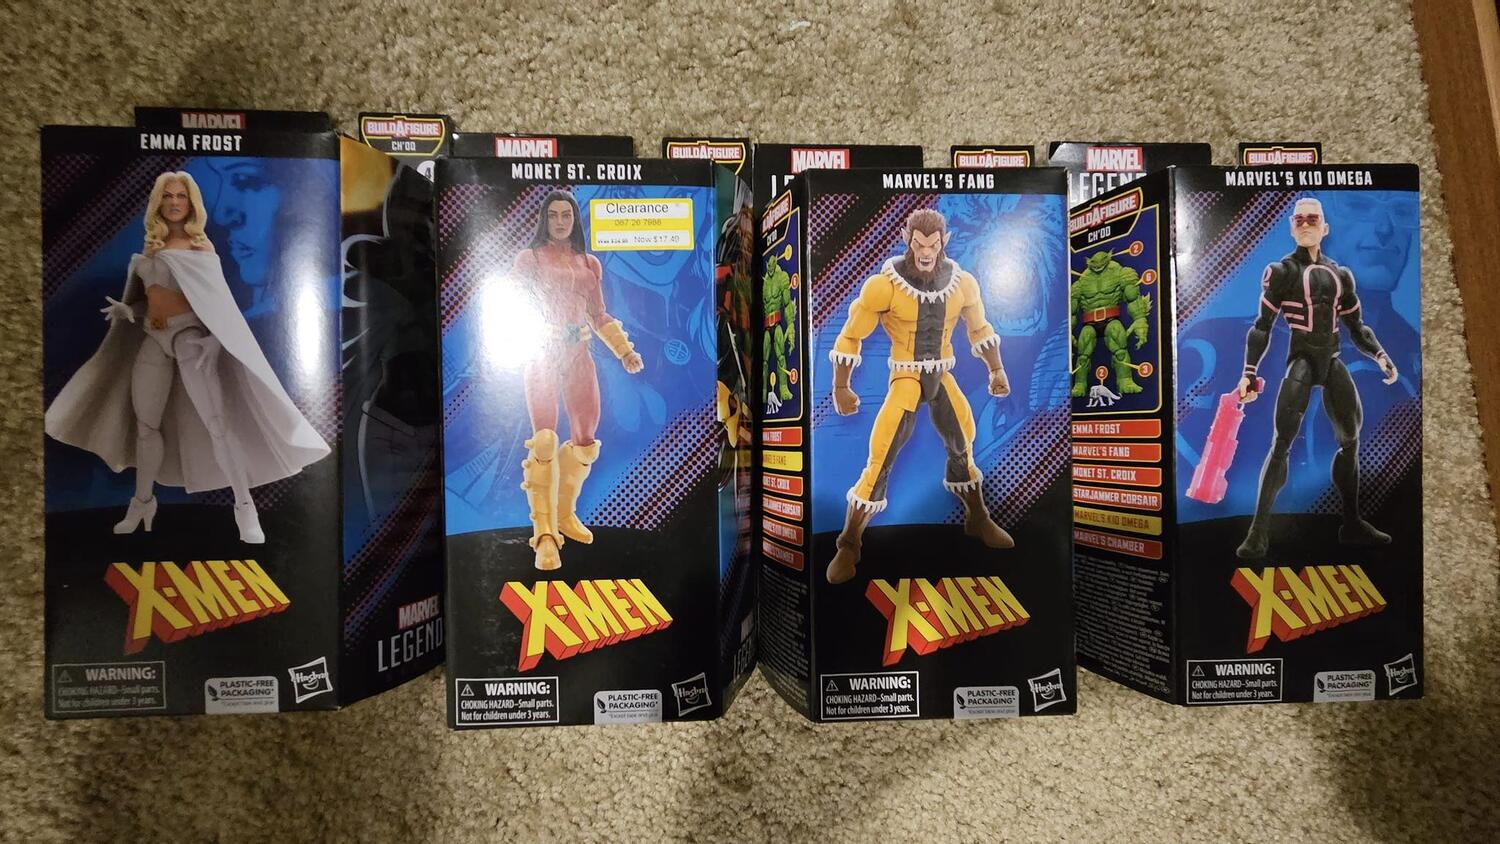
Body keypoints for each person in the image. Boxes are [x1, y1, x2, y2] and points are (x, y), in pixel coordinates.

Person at [44, 171, 330, 543]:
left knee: (217, 424)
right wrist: (129, 310)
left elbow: (218, 304)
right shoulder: (151, 249)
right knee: (147, 427)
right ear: (158, 203)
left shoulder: (201, 249)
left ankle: (245, 508)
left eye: (181, 196)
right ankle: (142, 502)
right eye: (168, 196)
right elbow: (151, 300)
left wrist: (214, 340)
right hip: (153, 338)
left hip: (190, 338)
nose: (175, 202)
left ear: (191, 202)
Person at [825, 208, 1014, 585]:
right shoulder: (885, 286)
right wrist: (841, 386)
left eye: (933, 244)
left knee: (964, 440)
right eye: (919, 244)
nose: (926, 252)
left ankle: (977, 518)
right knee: (882, 452)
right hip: (907, 375)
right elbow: (851, 334)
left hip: (941, 373)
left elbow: (979, 328)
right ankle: (849, 543)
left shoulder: (962, 284)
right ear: (907, 240)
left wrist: (996, 369)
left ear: (944, 242)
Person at [1235, 197, 1399, 558]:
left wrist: (1380, 355)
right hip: (1302, 360)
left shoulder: (1341, 275)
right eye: (1300, 219)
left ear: (1325, 228)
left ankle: (1352, 524)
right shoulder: (1282, 272)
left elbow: (1357, 326)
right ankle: (1257, 532)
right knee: (1282, 443)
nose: (1306, 224)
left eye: (1313, 219)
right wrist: (1248, 373)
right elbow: (1261, 327)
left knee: (1351, 439)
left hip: (1333, 360)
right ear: (1292, 227)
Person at [513, 190, 644, 571]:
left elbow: (599, 314)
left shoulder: (588, 263)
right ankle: (545, 536)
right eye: (553, 215)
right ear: (544, 219)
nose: (559, 221)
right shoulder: (529, 259)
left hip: (579, 354)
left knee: (586, 443)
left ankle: (564, 514)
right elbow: (516, 305)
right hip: (542, 352)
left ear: (574, 219)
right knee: (545, 440)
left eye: (566, 215)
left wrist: (624, 351)